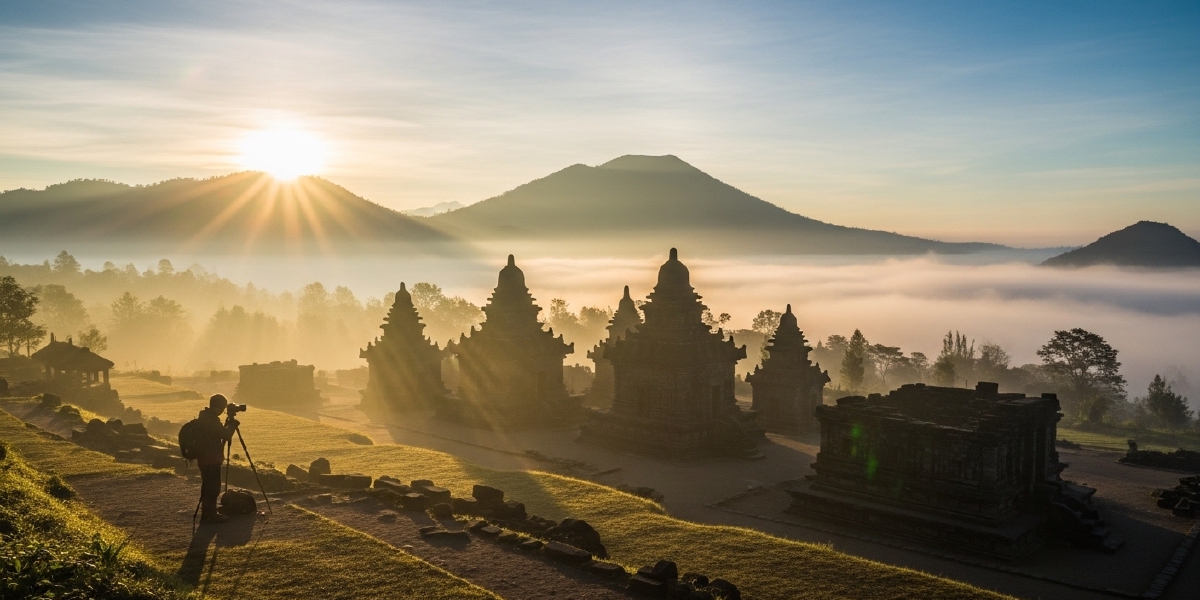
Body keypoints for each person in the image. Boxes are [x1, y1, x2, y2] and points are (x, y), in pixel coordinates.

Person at [195, 394, 240, 523]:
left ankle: (208, 513)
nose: (223, 411)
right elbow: (225, 435)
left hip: (206, 457)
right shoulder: (210, 420)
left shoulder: (206, 417)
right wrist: (232, 425)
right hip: (210, 458)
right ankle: (210, 515)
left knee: (209, 486)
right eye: (223, 407)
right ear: (218, 406)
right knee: (213, 488)